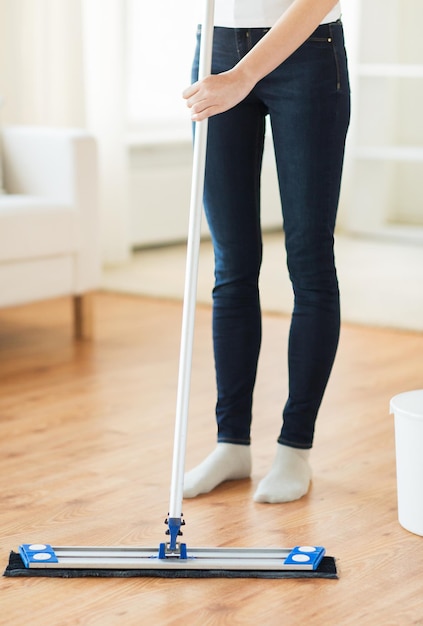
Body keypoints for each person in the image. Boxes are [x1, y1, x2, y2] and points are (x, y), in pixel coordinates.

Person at [182, 0, 350, 503]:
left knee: (309, 261)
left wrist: (244, 74)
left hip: (308, 50)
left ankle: (295, 448)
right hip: (216, 43)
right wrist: (228, 71)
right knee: (231, 264)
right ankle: (231, 444)